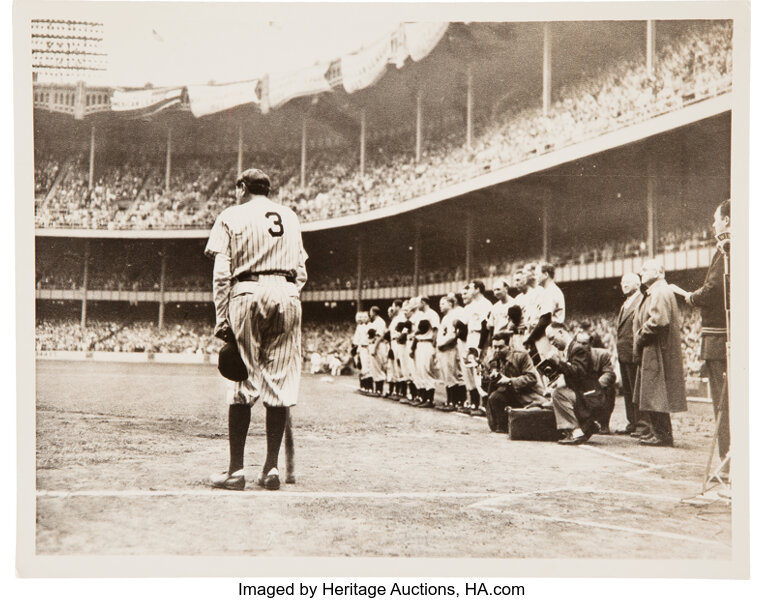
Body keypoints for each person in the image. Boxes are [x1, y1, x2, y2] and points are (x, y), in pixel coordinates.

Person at [205, 168, 307, 491]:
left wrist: (223, 318)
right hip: (288, 293)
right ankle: (271, 469)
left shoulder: (231, 215)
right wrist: (286, 294)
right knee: (279, 385)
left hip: (247, 291)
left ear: (241, 187)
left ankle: (236, 471)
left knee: (242, 383)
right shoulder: (290, 217)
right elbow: (301, 271)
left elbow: (222, 273)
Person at [678, 199, 730, 470]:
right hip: (721, 334)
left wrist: (691, 297)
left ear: (728, 220)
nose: (713, 224)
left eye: (716, 219)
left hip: (719, 336)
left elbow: (713, 289)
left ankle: (728, 460)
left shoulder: (727, 250)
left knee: (723, 404)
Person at [632, 259, 687, 447]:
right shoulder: (656, 291)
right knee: (653, 392)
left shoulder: (660, 291)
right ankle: (659, 432)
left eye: (646, 269)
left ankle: (662, 435)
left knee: (656, 392)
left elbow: (658, 321)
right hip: (653, 347)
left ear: (660, 272)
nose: (641, 272)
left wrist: (640, 335)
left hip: (656, 347)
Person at [545, 321, 607, 445]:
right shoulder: (570, 349)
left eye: (552, 338)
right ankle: (587, 425)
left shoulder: (578, 348)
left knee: (559, 394)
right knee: (554, 393)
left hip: (588, 396)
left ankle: (576, 430)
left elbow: (579, 373)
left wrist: (558, 363)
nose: (552, 343)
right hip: (583, 394)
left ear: (561, 332)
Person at [484, 332, 547, 433]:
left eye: (500, 347)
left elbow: (531, 378)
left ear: (509, 346)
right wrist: (490, 377)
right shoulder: (492, 359)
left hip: (526, 394)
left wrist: (510, 381)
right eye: (494, 347)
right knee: (495, 400)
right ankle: (503, 426)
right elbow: (485, 382)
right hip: (506, 394)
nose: (497, 350)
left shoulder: (521, 356)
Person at [615, 273, 645, 435]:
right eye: (622, 282)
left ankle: (641, 424)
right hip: (623, 353)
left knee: (635, 389)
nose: (624, 284)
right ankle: (632, 422)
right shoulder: (626, 303)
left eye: (628, 282)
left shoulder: (640, 301)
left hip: (633, 352)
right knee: (627, 390)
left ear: (638, 284)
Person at [411, 296, 440, 408]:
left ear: (423, 303)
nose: (417, 306)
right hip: (419, 343)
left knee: (427, 370)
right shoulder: (421, 315)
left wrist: (434, 347)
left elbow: (436, 330)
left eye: (418, 303)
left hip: (428, 344)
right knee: (420, 371)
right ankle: (423, 397)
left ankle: (430, 399)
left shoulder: (432, 314)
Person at [436, 294, 463, 411]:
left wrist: (442, 344)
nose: (440, 306)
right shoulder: (446, 317)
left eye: (443, 303)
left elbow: (453, 335)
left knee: (451, 374)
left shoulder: (453, 316)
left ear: (451, 304)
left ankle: (454, 402)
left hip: (449, 348)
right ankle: (450, 400)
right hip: (443, 349)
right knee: (446, 375)